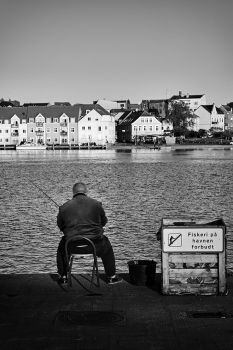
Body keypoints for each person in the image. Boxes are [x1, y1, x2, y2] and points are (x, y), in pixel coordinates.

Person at [56, 182, 122, 285]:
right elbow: (104, 222)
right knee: (107, 246)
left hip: (72, 245)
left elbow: (60, 226)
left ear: (73, 192)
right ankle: (111, 277)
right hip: (95, 245)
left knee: (62, 248)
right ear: (86, 191)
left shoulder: (64, 207)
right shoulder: (96, 204)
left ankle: (63, 277)